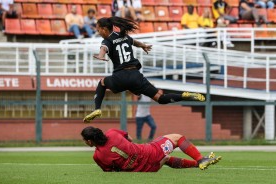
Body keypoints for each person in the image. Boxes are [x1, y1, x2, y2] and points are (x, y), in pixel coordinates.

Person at [83, 17, 205, 123]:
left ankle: (97, 108)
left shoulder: (107, 40)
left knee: (102, 82)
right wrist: (143, 46)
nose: (98, 32)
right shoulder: (123, 36)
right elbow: (133, 42)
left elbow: (103, 48)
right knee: (160, 98)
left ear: (104, 29)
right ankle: (184, 95)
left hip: (120, 76)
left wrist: (101, 55)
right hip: (135, 76)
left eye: (98, 30)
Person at [81, 126, 221, 172]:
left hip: (147, 169)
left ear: (89, 141)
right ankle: (200, 159)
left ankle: (198, 165)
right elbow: (129, 138)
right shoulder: (112, 132)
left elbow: (112, 171)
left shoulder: (97, 157)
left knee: (165, 159)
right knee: (177, 137)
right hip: (151, 153)